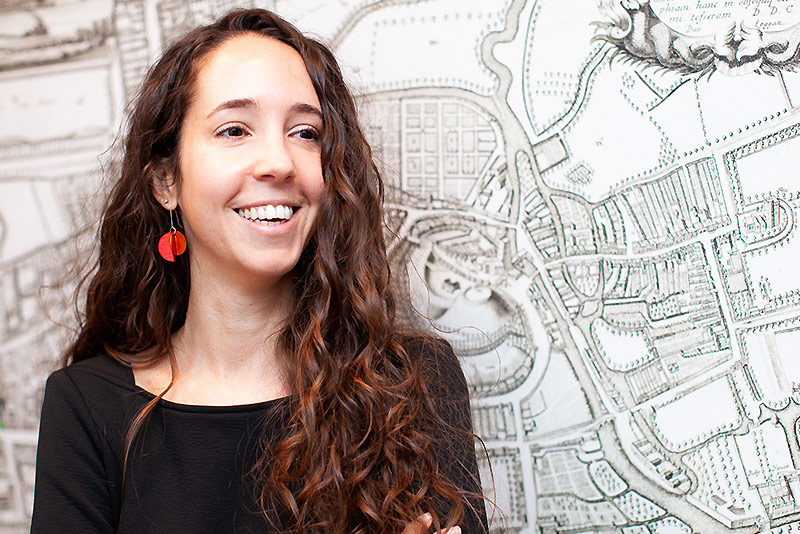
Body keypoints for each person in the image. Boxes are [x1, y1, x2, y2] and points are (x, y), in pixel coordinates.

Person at [30, 8, 488, 534]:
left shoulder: (413, 382)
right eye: (234, 129)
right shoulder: (85, 407)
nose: (279, 161)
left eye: (305, 132)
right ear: (165, 182)